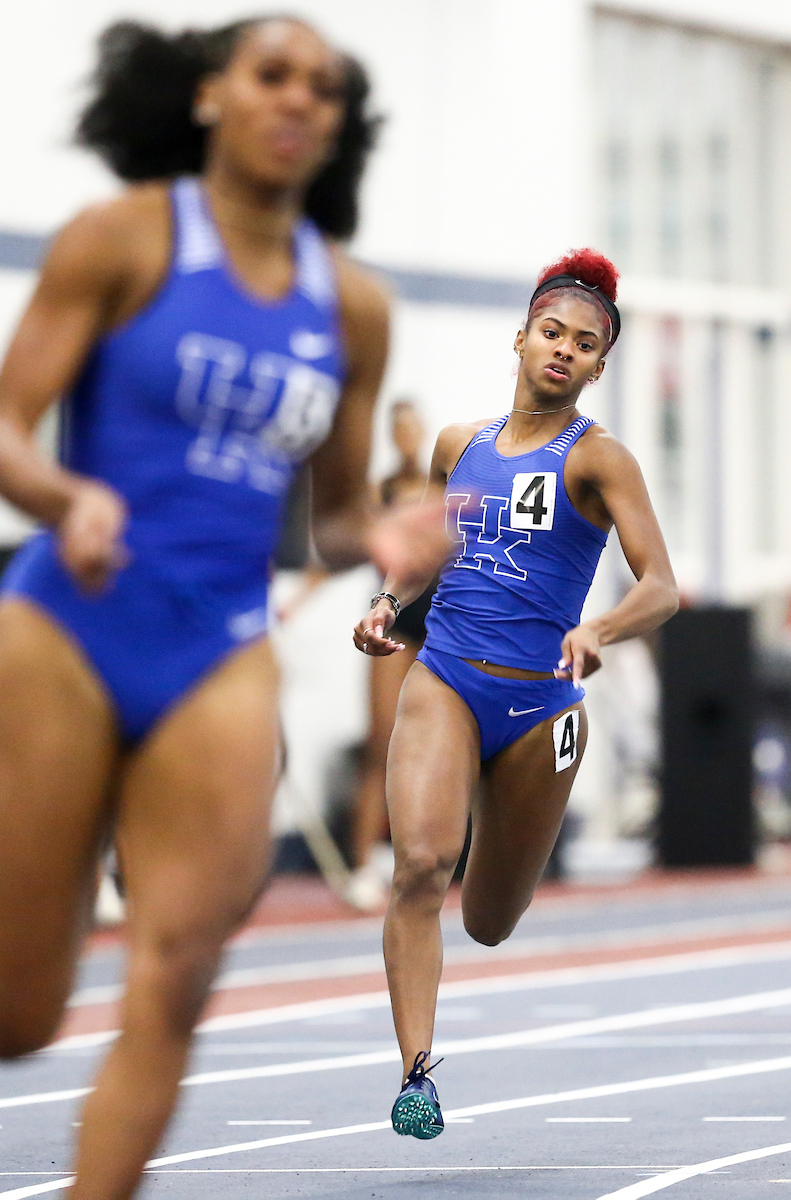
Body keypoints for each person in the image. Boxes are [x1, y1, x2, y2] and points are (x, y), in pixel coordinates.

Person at [0, 16, 443, 1199]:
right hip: (65, 629)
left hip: (218, 648)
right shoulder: (122, 239)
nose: (297, 100)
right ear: (211, 95)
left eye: (323, 89)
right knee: (19, 1012)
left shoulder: (350, 306)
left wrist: (385, 539)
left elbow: (340, 510)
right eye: (271, 75)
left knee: (177, 977)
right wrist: (62, 492)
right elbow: (5, 425)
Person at [354, 249, 679, 1138]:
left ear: (599, 366)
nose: (563, 351)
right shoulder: (457, 445)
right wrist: (387, 602)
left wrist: (599, 630)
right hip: (447, 677)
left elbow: (662, 585)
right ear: (522, 338)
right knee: (420, 864)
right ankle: (416, 1074)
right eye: (551, 332)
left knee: (491, 921)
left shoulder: (601, 460)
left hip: (542, 704)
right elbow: (427, 550)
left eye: (584, 343)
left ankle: (503, 859)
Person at [346, 399, 438, 910]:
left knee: (432, 742)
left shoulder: (441, 484)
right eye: (398, 430)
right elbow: (347, 545)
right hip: (393, 613)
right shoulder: (377, 492)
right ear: (391, 435)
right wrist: (296, 601)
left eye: (413, 428)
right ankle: (363, 862)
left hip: (438, 617)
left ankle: (423, 855)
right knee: (381, 740)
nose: (407, 437)